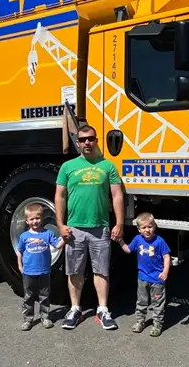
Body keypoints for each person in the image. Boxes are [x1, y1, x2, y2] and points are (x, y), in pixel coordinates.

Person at [54, 124, 125, 331]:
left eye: (91, 138)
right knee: (74, 270)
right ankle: (75, 309)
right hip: (74, 229)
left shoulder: (108, 166)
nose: (87, 142)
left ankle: (102, 310)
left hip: (100, 227)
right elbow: (59, 196)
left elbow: (117, 196)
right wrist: (60, 224)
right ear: (78, 143)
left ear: (96, 140)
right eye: (83, 139)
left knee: (101, 271)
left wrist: (119, 223)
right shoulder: (68, 167)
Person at [117, 212, 170, 337]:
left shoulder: (159, 241)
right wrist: (120, 241)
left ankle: (157, 324)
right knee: (141, 301)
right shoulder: (137, 239)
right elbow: (128, 249)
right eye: (144, 228)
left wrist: (165, 272)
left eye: (150, 227)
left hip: (157, 279)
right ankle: (140, 321)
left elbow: (166, 256)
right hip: (142, 278)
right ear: (139, 229)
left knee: (158, 303)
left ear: (154, 227)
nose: (147, 230)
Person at [16, 203, 64, 331]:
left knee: (44, 295)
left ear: (42, 219)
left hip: (44, 271)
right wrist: (20, 266)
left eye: (37, 218)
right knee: (28, 296)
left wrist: (65, 238)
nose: (35, 221)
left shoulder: (47, 234)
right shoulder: (24, 236)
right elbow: (19, 252)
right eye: (31, 219)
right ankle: (28, 319)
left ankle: (45, 316)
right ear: (27, 221)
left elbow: (57, 245)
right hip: (28, 271)